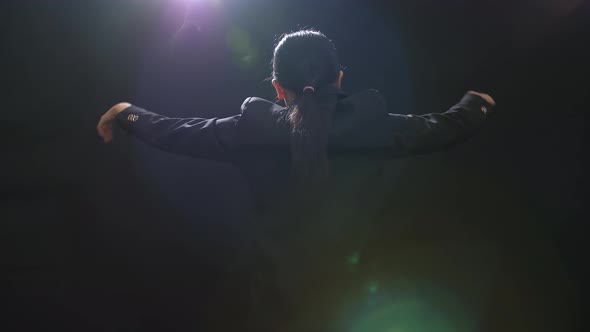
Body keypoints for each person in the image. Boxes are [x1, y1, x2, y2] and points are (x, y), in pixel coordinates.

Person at [97, 30, 495, 331]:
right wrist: (475, 105)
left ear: (276, 87)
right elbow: (444, 127)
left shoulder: (251, 129)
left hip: (276, 310)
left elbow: (177, 130)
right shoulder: (372, 125)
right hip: (360, 309)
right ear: (339, 79)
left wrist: (127, 113)